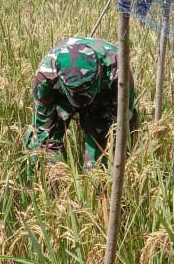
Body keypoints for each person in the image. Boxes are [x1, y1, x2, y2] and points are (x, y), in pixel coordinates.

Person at [25, 36, 138, 168]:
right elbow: (43, 130)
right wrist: (55, 168)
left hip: (101, 96)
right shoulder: (46, 75)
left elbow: (123, 123)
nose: (81, 99)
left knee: (103, 152)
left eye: (84, 90)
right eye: (77, 92)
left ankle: (96, 177)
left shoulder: (118, 71)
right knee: (39, 145)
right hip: (62, 97)